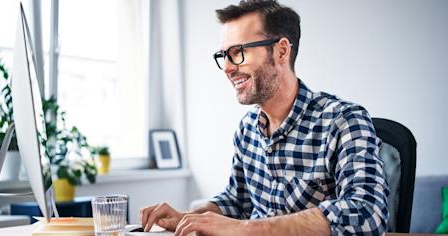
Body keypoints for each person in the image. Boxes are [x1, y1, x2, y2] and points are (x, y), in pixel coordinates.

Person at [140, 1, 389, 235]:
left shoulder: (342, 120)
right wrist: (188, 216)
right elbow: (237, 202)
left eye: (238, 52)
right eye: (223, 55)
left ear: (281, 51)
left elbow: (368, 214)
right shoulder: (247, 129)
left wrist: (244, 229)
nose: (227, 67)